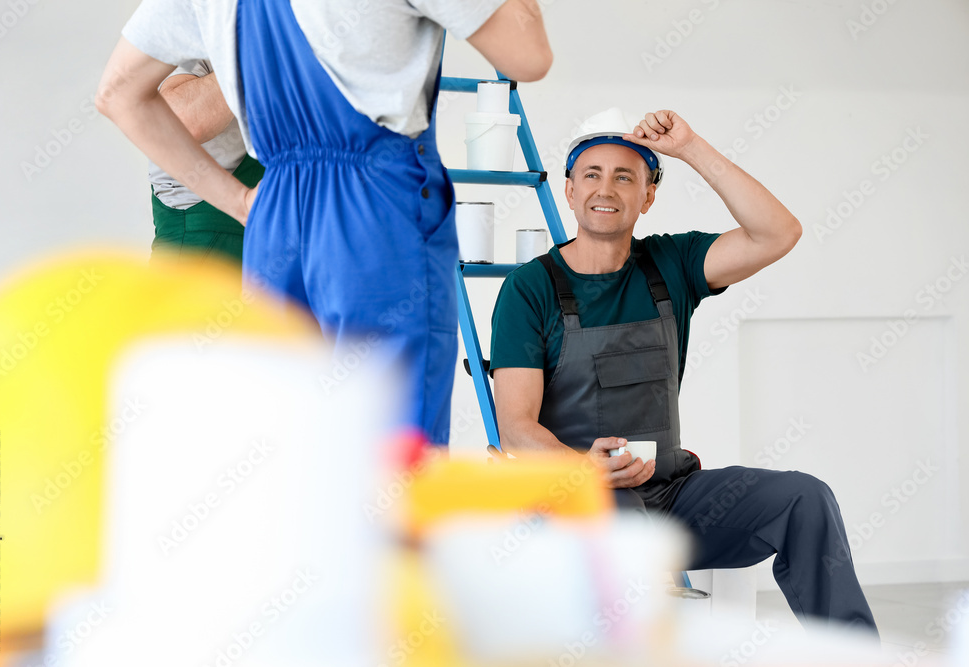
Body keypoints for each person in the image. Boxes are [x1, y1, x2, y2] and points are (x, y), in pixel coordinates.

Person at [489, 107, 878, 635]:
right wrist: (583, 469)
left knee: (805, 499)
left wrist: (691, 148)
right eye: (592, 174)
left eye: (626, 176)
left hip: (670, 495)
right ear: (570, 191)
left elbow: (778, 233)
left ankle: (855, 654)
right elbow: (516, 425)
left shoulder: (671, 264)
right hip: (577, 505)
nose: (607, 188)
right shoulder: (529, 290)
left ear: (648, 196)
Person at [96, 0, 552, 445]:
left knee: (292, 442)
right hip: (376, 206)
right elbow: (529, 57)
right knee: (393, 444)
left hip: (277, 211)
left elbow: (118, 93)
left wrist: (238, 201)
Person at [150, 60, 263, 265]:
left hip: (265, 244)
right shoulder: (192, 44)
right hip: (200, 246)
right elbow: (180, 120)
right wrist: (252, 55)